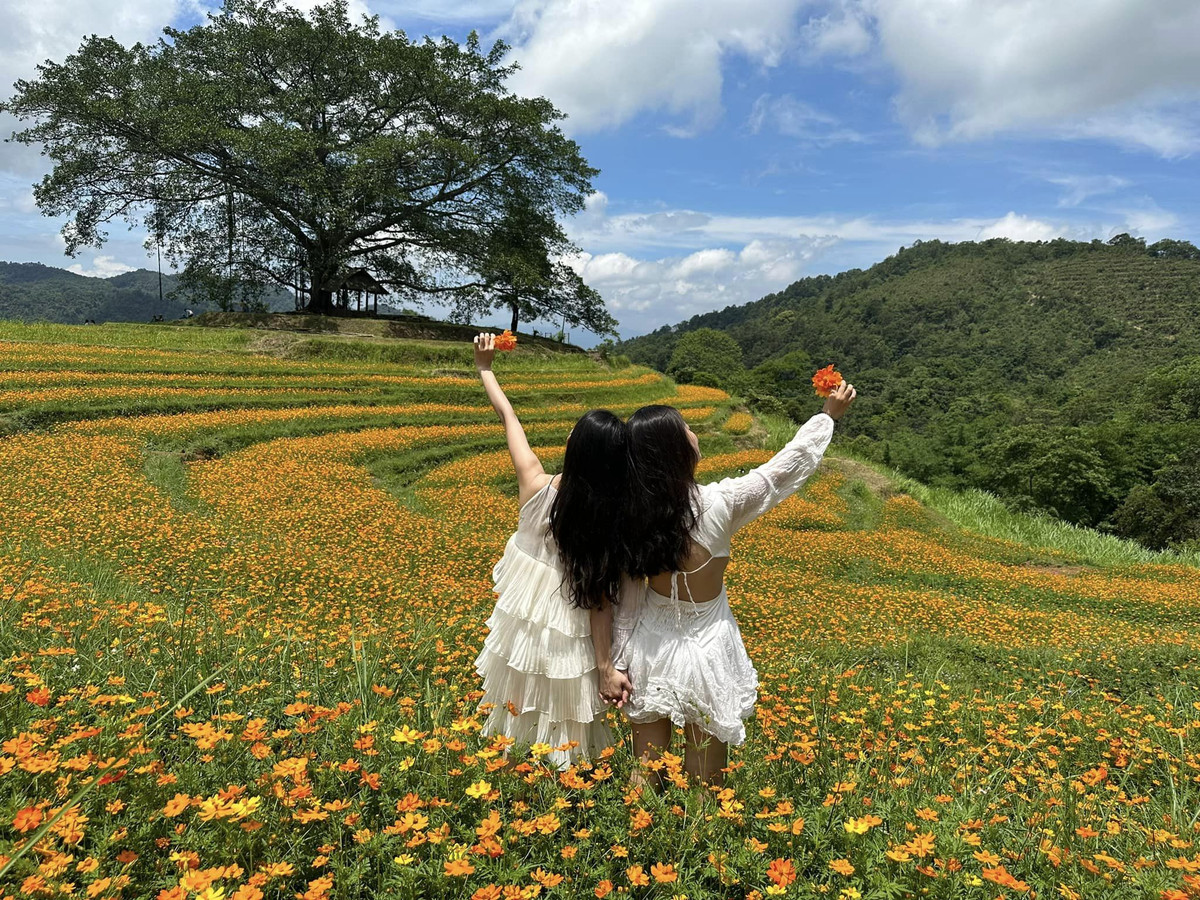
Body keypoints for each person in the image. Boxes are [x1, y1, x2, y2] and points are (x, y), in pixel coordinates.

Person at [611, 380, 857, 789]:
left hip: (650, 645)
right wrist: (827, 417)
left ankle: (638, 841)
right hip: (709, 646)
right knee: (706, 775)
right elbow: (784, 468)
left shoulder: (629, 514)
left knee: (646, 767)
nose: (694, 432)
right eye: (686, 427)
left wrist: (613, 662)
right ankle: (703, 843)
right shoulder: (719, 504)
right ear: (675, 449)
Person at [471, 332, 634, 770]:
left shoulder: (535, 487)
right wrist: (604, 668)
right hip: (570, 634)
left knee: (517, 704)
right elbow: (600, 604)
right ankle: (565, 785)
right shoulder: (609, 522)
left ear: (574, 449)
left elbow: (509, 418)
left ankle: (510, 776)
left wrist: (485, 369)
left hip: (522, 631)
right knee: (565, 714)